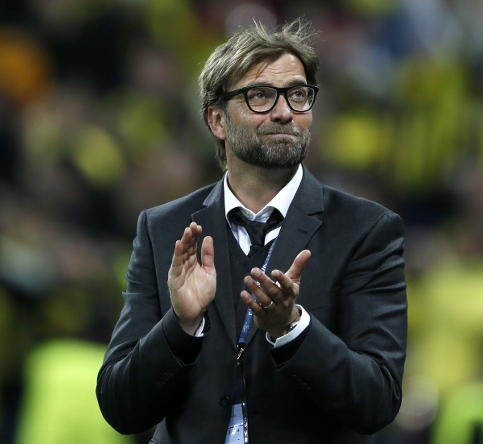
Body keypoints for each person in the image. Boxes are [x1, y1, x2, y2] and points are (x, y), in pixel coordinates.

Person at [97, 18, 407, 444]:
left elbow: (378, 401)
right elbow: (120, 407)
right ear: (217, 121)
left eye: (298, 95)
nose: (284, 112)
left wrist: (293, 328)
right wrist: (180, 326)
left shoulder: (367, 230)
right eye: (260, 96)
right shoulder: (163, 228)